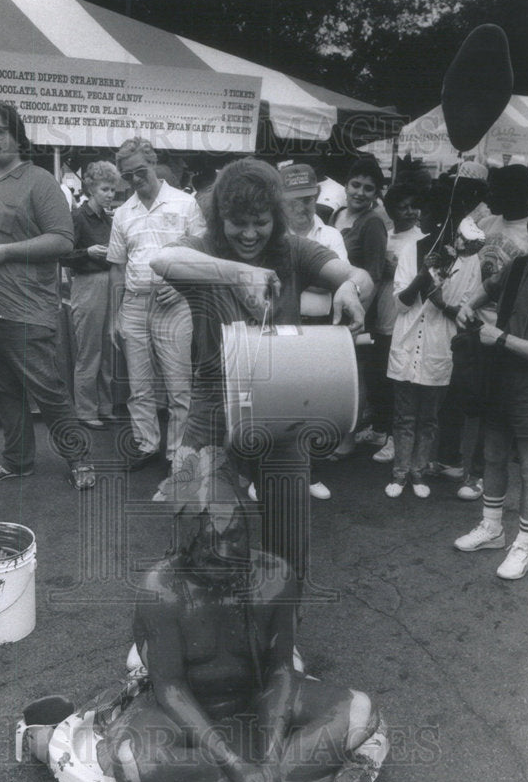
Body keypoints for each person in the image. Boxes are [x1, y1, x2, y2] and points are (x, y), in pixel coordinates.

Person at [99, 462, 379, 782]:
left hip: (256, 696)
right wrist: (234, 764)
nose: (226, 553)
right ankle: (236, 778)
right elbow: (171, 689)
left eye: (235, 537)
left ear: (249, 530)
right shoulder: (162, 590)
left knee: (360, 712)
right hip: (186, 710)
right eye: (210, 543)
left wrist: (270, 758)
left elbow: (280, 671)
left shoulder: (276, 578)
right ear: (185, 546)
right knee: (135, 764)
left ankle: (269, 776)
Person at [150, 157, 373, 588]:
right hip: (212, 410)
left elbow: (357, 275)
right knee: (202, 531)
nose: (250, 234)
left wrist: (349, 286)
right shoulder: (203, 249)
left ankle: (282, 623)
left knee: (288, 540)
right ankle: (192, 617)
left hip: (282, 408)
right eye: (238, 223)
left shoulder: (294, 250)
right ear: (220, 218)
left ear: (276, 217)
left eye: (261, 222)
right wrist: (240, 273)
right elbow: (162, 260)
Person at [0, 103, 94, 489]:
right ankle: (17, 461)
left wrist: (6, 252)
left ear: (17, 136)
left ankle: (80, 460)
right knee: (3, 392)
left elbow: (63, 240)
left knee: (48, 390)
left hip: (24, 310)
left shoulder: (39, 181)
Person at [107, 138, 206, 471]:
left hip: (174, 303)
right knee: (139, 386)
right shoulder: (123, 213)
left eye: (140, 171)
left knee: (179, 385)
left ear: (153, 163)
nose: (135, 180)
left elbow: (202, 254)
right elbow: (117, 266)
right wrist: (115, 316)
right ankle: (146, 443)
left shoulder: (185, 204)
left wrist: (181, 286)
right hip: (134, 304)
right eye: (128, 176)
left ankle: (179, 451)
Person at [384, 186, 485, 499]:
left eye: (428, 212)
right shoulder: (412, 250)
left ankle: (418, 472)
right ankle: (400, 474)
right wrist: (423, 275)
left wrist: (441, 301)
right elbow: (401, 303)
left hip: (440, 345)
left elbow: (466, 312)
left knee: (429, 418)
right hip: (406, 342)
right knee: (404, 417)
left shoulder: (469, 259)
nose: (421, 218)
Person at [453, 212, 528, 580]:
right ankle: (492, 527)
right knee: (493, 455)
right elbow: (490, 286)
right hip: (501, 375)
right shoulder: (520, 265)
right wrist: (468, 305)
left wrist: (502, 338)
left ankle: (526, 543)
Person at [279, 162, 348, 500]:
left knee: (314, 404)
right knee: (279, 403)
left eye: (308, 198)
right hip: (283, 327)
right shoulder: (274, 235)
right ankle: (265, 473)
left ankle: (309, 472)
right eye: (294, 199)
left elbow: (339, 281)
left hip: (320, 329)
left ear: (317, 195)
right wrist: (316, 277)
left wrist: (299, 278)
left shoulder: (331, 235)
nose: (302, 206)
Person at [330, 157, 389, 453]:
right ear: (346, 185)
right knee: (333, 374)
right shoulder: (336, 214)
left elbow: (375, 276)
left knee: (355, 375)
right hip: (330, 308)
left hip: (358, 311)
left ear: (376, 193)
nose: (360, 192)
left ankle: (348, 439)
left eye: (368, 188)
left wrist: (359, 316)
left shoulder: (373, 223)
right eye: (355, 184)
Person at [365, 181, 424, 464]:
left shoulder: (421, 239)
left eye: (414, 206)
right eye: (403, 207)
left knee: (397, 383)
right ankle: (379, 430)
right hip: (380, 315)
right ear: (390, 211)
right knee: (377, 378)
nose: (410, 212)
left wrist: (396, 270)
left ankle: (393, 439)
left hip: (405, 320)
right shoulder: (385, 237)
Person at [59, 160, 121, 428]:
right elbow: (62, 254)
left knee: (107, 349)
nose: (110, 194)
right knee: (89, 350)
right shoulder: (78, 217)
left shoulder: (108, 219)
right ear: (92, 188)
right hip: (87, 284)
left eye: (113, 190)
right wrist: (88, 252)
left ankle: (105, 407)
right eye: (105, 189)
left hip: (109, 282)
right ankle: (86, 411)